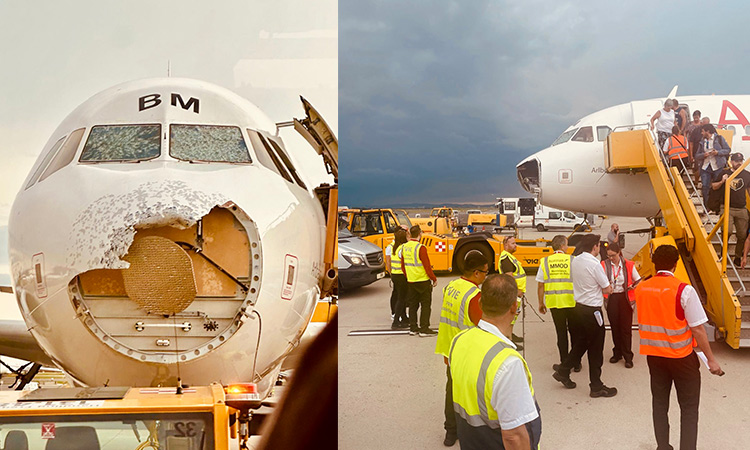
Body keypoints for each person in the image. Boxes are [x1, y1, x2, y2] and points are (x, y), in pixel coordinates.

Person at [634, 245, 723, 450]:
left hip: (655, 357)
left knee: (659, 404)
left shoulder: (642, 288)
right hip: (682, 358)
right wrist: (711, 359)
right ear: (676, 264)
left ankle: (663, 446)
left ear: (654, 263)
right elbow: (698, 330)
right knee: (689, 409)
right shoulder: (684, 290)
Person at [449, 274, 541, 450]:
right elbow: (514, 436)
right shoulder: (507, 362)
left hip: (471, 440)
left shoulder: (459, 340)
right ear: (514, 307)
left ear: (480, 304)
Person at [552, 234, 617, 398]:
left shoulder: (575, 260)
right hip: (592, 311)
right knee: (596, 349)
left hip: (577, 308)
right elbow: (607, 289)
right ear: (595, 246)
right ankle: (596, 386)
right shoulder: (594, 264)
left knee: (581, 343)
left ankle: (564, 370)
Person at [435, 252, 488, 447]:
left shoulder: (451, 286)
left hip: (449, 348)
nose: (485, 276)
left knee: (451, 390)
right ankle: (471, 431)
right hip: (466, 353)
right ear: (475, 273)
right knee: (469, 394)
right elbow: (481, 325)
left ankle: (450, 431)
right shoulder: (474, 295)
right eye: (484, 272)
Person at [536, 235, 581, 372]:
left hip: (554, 303)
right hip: (571, 302)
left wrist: (540, 303)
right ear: (562, 246)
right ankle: (576, 362)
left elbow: (540, 285)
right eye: (566, 244)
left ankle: (564, 362)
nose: (567, 247)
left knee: (561, 334)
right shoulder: (572, 260)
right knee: (575, 333)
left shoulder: (544, 262)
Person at [601, 242, 640, 368]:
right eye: (608, 256)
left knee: (626, 328)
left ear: (619, 253)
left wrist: (632, 286)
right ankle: (617, 352)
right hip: (611, 298)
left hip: (625, 298)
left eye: (613, 255)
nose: (611, 258)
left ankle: (628, 355)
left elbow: (638, 280)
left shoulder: (628, 264)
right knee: (615, 327)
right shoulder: (604, 264)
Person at [710, 152, 750, 265]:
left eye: (741, 161)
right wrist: (722, 181)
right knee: (727, 232)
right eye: (737, 161)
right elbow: (713, 186)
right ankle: (723, 255)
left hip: (741, 208)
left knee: (742, 235)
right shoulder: (724, 172)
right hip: (727, 207)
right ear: (731, 162)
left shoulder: (747, 175)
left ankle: (737, 256)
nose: (739, 163)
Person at [401, 225, 438, 337]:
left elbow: (403, 266)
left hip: (411, 281)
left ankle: (413, 328)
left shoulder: (404, 247)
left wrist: (409, 276)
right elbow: (427, 266)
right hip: (423, 281)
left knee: (413, 305)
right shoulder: (421, 248)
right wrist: (433, 278)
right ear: (420, 234)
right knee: (425, 305)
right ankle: (424, 328)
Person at [500, 236, 526, 345]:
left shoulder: (509, 257)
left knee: (513, 317)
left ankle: (511, 335)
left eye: (515, 243)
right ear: (506, 245)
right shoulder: (506, 258)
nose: (515, 245)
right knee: (510, 317)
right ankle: (509, 339)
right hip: (513, 293)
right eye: (512, 243)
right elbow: (509, 277)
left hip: (516, 293)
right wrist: (516, 291)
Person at [695, 123, 731, 202]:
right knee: (705, 187)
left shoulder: (719, 138)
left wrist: (718, 152)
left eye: (703, 131)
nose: (701, 133)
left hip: (717, 166)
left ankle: (716, 206)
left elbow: (728, 150)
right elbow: (697, 155)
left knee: (718, 186)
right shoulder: (702, 141)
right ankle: (707, 207)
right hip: (706, 166)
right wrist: (703, 155)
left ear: (707, 131)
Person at [386, 228, 409, 329]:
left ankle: (404, 318)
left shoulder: (392, 247)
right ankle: (396, 322)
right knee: (401, 298)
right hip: (402, 276)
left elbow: (389, 262)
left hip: (395, 275)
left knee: (400, 296)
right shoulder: (403, 248)